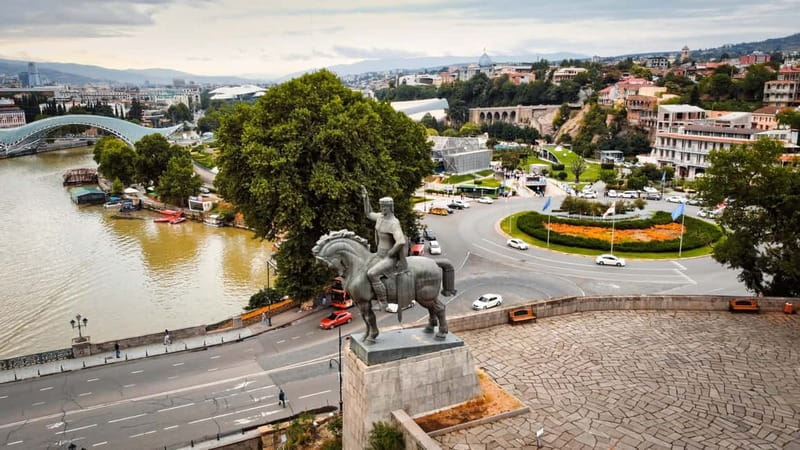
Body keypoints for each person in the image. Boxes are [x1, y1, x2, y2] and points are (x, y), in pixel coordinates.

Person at [360, 186, 407, 310]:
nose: (381, 209)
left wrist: (391, 253)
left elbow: (401, 241)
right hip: (378, 254)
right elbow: (368, 213)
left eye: (384, 207)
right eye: (381, 207)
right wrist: (366, 198)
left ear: (390, 207)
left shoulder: (394, 223)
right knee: (363, 267)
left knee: (372, 273)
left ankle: (383, 302)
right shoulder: (380, 217)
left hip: (389, 258)